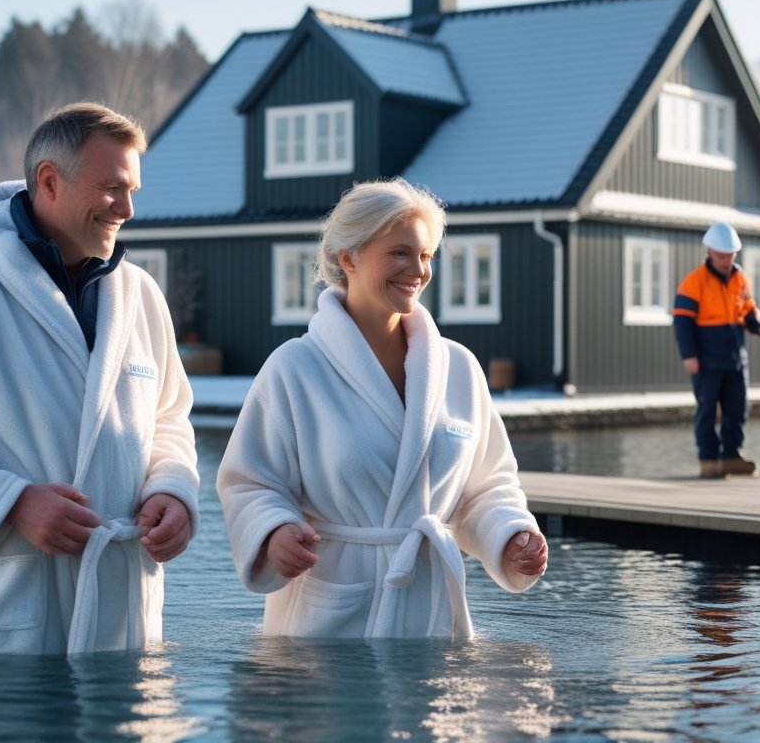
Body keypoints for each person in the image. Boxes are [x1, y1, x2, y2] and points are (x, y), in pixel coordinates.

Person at [0, 102, 199, 655]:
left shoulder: (140, 295)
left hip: (123, 625)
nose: (128, 208)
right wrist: (10, 504)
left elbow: (169, 419)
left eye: (133, 189)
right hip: (3, 623)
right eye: (113, 187)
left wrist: (173, 491)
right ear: (50, 181)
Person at [216, 178, 548, 639]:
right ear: (347, 257)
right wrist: (274, 533)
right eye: (400, 253)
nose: (418, 269)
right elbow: (249, 482)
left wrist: (509, 534)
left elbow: (487, 486)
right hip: (327, 622)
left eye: (426, 255)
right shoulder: (296, 368)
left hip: (429, 618)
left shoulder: (457, 368)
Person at [672, 222, 760, 479]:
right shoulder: (694, 282)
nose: (725, 260)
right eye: (721, 255)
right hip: (706, 360)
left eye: (730, 255)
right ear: (709, 251)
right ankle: (709, 461)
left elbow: (747, 310)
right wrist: (689, 356)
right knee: (707, 411)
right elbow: (682, 321)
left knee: (737, 409)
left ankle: (731, 457)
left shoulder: (741, 279)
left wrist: (758, 324)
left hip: (735, 357)